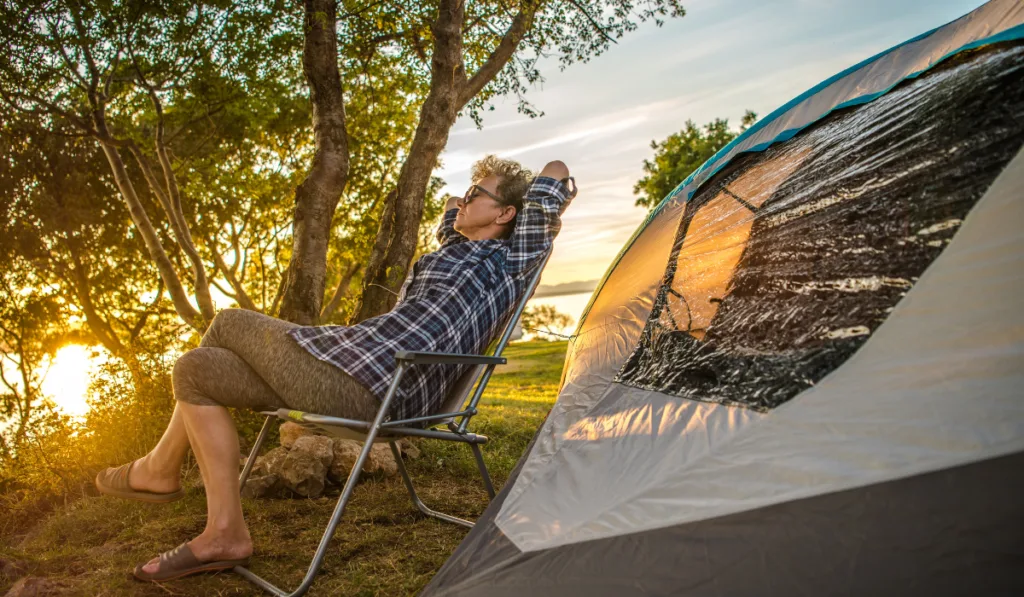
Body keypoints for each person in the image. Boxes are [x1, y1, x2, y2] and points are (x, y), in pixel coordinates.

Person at [93, 156, 574, 581]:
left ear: (510, 214)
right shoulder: (450, 251)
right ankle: (222, 530)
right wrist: (470, 199)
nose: (464, 199)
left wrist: (514, 191)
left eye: (478, 194)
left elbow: (554, 170)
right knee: (197, 368)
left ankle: (158, 469)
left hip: (374, 386)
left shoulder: (511, 259)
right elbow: (451, 208)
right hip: (352, 367)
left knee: (229, 321)